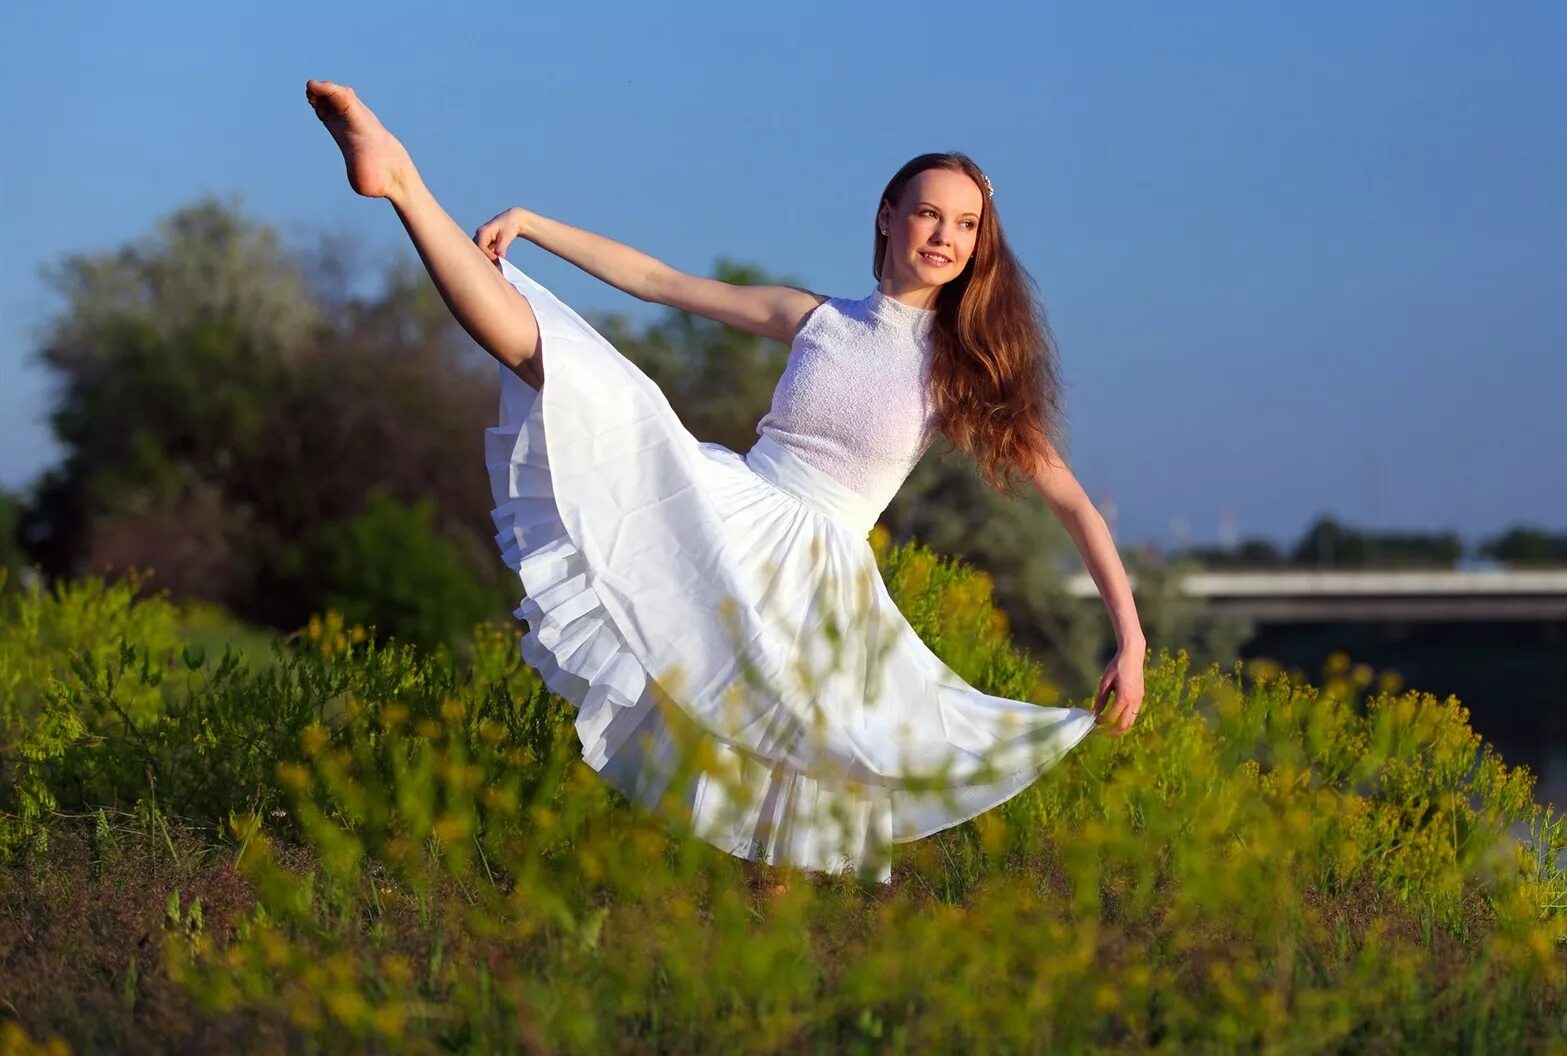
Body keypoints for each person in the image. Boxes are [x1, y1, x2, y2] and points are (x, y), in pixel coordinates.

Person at [304, 78, 1147, 883]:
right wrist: (534, 223)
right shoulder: (815, 318)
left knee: (795, 802)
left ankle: (757, 961)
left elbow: (1070, 500)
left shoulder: (959, 372)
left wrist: (1132, 638)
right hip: (732, 511)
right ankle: (405, 184)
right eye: (929, 213)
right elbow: (660, 283)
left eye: (966, 224)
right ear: (888, 218)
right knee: (565, 364)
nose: (945, 236)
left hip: (819, 577)